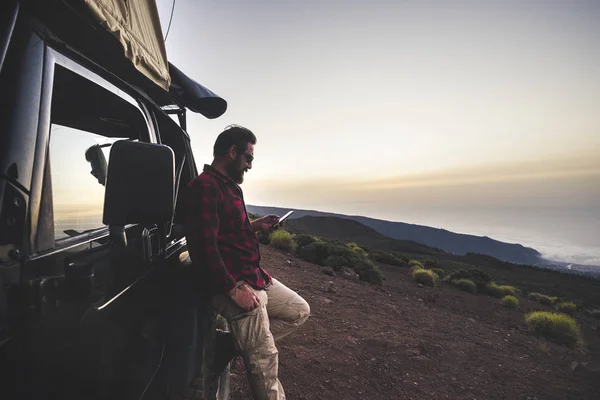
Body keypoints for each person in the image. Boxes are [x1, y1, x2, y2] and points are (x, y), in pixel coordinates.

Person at [183, 125, 310, 400]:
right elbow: (203, 248)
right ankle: (250, 347)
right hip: (231, 281)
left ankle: (230, 346)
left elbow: (228, 231)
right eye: (248, 158)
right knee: (265, 360)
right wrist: (232, 290)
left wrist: (257, 225)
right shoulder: (204, 188)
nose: (250, 165)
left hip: (253, 275)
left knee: (299, 310)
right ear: (232, 152)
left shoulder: (229, 187)